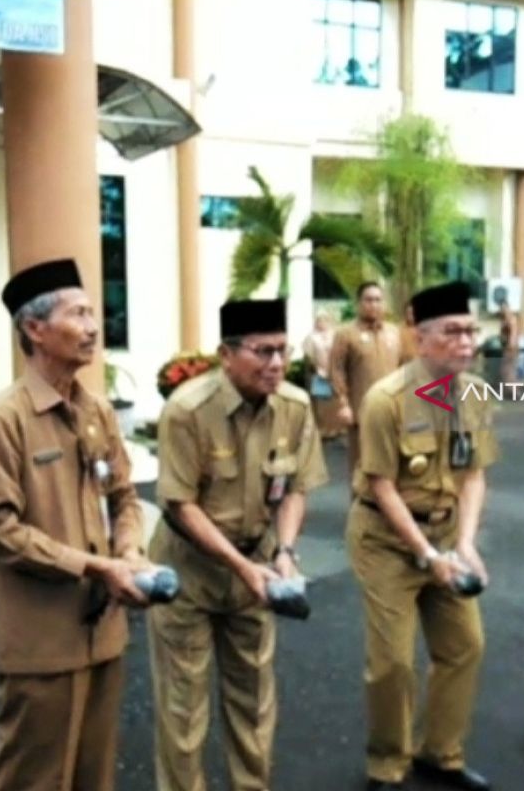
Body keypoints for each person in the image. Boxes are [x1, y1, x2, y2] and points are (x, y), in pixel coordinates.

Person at [0, 258, 151, 791]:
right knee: (34, 779)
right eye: (79, 314)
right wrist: (94, 567)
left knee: (95, 776)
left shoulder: (96, 410)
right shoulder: (1, 419)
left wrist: (130, 552)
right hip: (40, 640)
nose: (94, 327)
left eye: (94, 313)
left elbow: (124, 495)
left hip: (102, 631)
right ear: (34, 329)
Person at [148, 299, 327, 791]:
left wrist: (284, 553)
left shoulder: (294, 406)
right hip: (190, 570)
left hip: (258, 564)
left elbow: (295, 488)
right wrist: (243, 568)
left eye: (282, 351)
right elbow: (180, 505)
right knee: (184, 711)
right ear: (225, 355)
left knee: (253, 700)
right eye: (262, 351)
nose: (276, 364)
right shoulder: (187, 410)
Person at [347, 281, 496, 791]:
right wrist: (426, 553)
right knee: (392, 662)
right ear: (420, 337)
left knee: (465, 646)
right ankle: (387, 765)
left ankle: (441, 753)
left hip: (446, 536)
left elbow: (473, 474)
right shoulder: (385, 400)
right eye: (452, 332)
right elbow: (383, 487)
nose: (466, 342)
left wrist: (466, 544)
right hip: (387, 541)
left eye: (471, 330)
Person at [331, 282, 401, 483]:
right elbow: (336, 370)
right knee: (362, 466)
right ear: (359, 303)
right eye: (368, 300)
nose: (374, 305)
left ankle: (388, 510)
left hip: (392, 411)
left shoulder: (393, 332)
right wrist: (343, 404)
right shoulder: (346, 333)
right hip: (361, 411)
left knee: (392, 464)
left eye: (378, 300)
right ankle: (360, 510)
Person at [301, 311, 344, 438]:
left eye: (324, 320)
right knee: (321, 402)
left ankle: (338, 428)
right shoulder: (311, 337)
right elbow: (308, 357)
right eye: (319, 320)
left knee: (335, 401)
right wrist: (316, 369)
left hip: (335, 373)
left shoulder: (336, 335)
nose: (322, 323)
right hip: (318, 374)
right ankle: (322, 429)